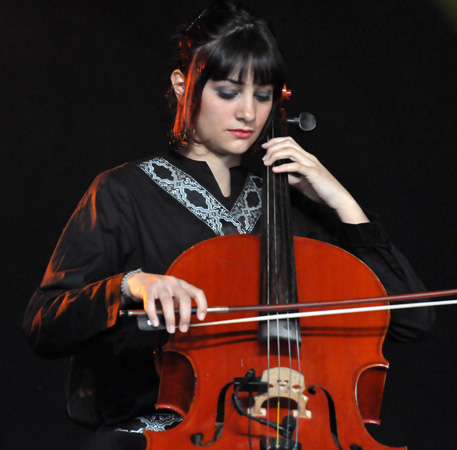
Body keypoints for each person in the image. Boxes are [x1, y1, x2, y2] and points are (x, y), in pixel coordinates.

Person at [23, 1, 434, 448]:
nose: (248, 114)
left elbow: (413, 319)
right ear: (184, 86)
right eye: (228, 92)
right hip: (166, 435)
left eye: (262, 96)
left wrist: (341, 201)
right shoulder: (123, 192)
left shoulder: (292, 207)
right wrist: (129, 285)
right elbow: (44, 323)